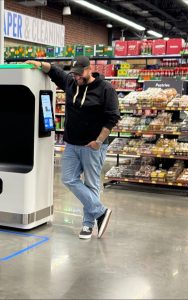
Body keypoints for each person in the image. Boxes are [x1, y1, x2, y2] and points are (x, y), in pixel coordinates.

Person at [26, 56, 120, 239]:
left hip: (93, 146)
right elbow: (54, 72)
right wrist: (39, 64)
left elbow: (112, 117)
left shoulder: (105, 89)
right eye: (74, 74)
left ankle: (87, 225)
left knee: (91, 184)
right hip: (72, 144)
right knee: (68, 178)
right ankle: (101, 212)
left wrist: (98, 142)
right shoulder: (71, 83)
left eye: (79, 74)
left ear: (89, 69)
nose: (76, 77)